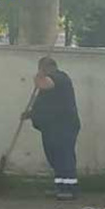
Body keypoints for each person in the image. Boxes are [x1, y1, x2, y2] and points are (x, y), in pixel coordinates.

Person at [23, 57, 81, 201]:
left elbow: (44, 84)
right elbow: (46, 104)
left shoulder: (60, 77)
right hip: (51, 127)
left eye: (40, 68)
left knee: (64, 156)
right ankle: (60, 186)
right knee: (54, 157)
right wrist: (31, 114)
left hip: (63, 126)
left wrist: (39, 76)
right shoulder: (51, 81)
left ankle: (70, 189)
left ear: (46, 67)